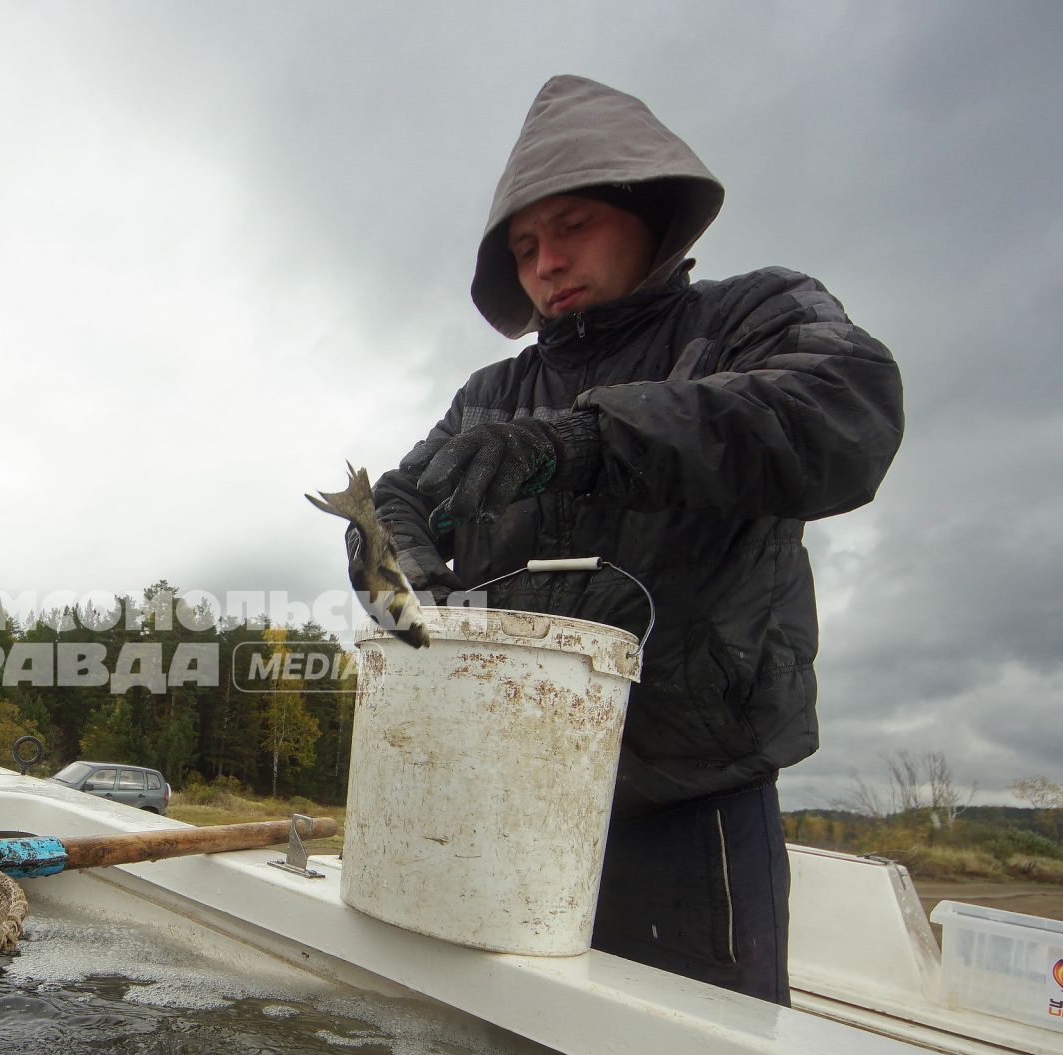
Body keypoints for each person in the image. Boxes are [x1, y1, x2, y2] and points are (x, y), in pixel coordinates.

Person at [367, 75, 904, 1004]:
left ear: (647, 214)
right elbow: (400, 498)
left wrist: (594, 438)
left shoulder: (753, 317)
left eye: (572, 226)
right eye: (526, 245)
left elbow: (845, 413)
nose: (545, 262)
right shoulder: (491, 395)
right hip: (507, 795)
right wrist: (389, 558)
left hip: (693, 803)